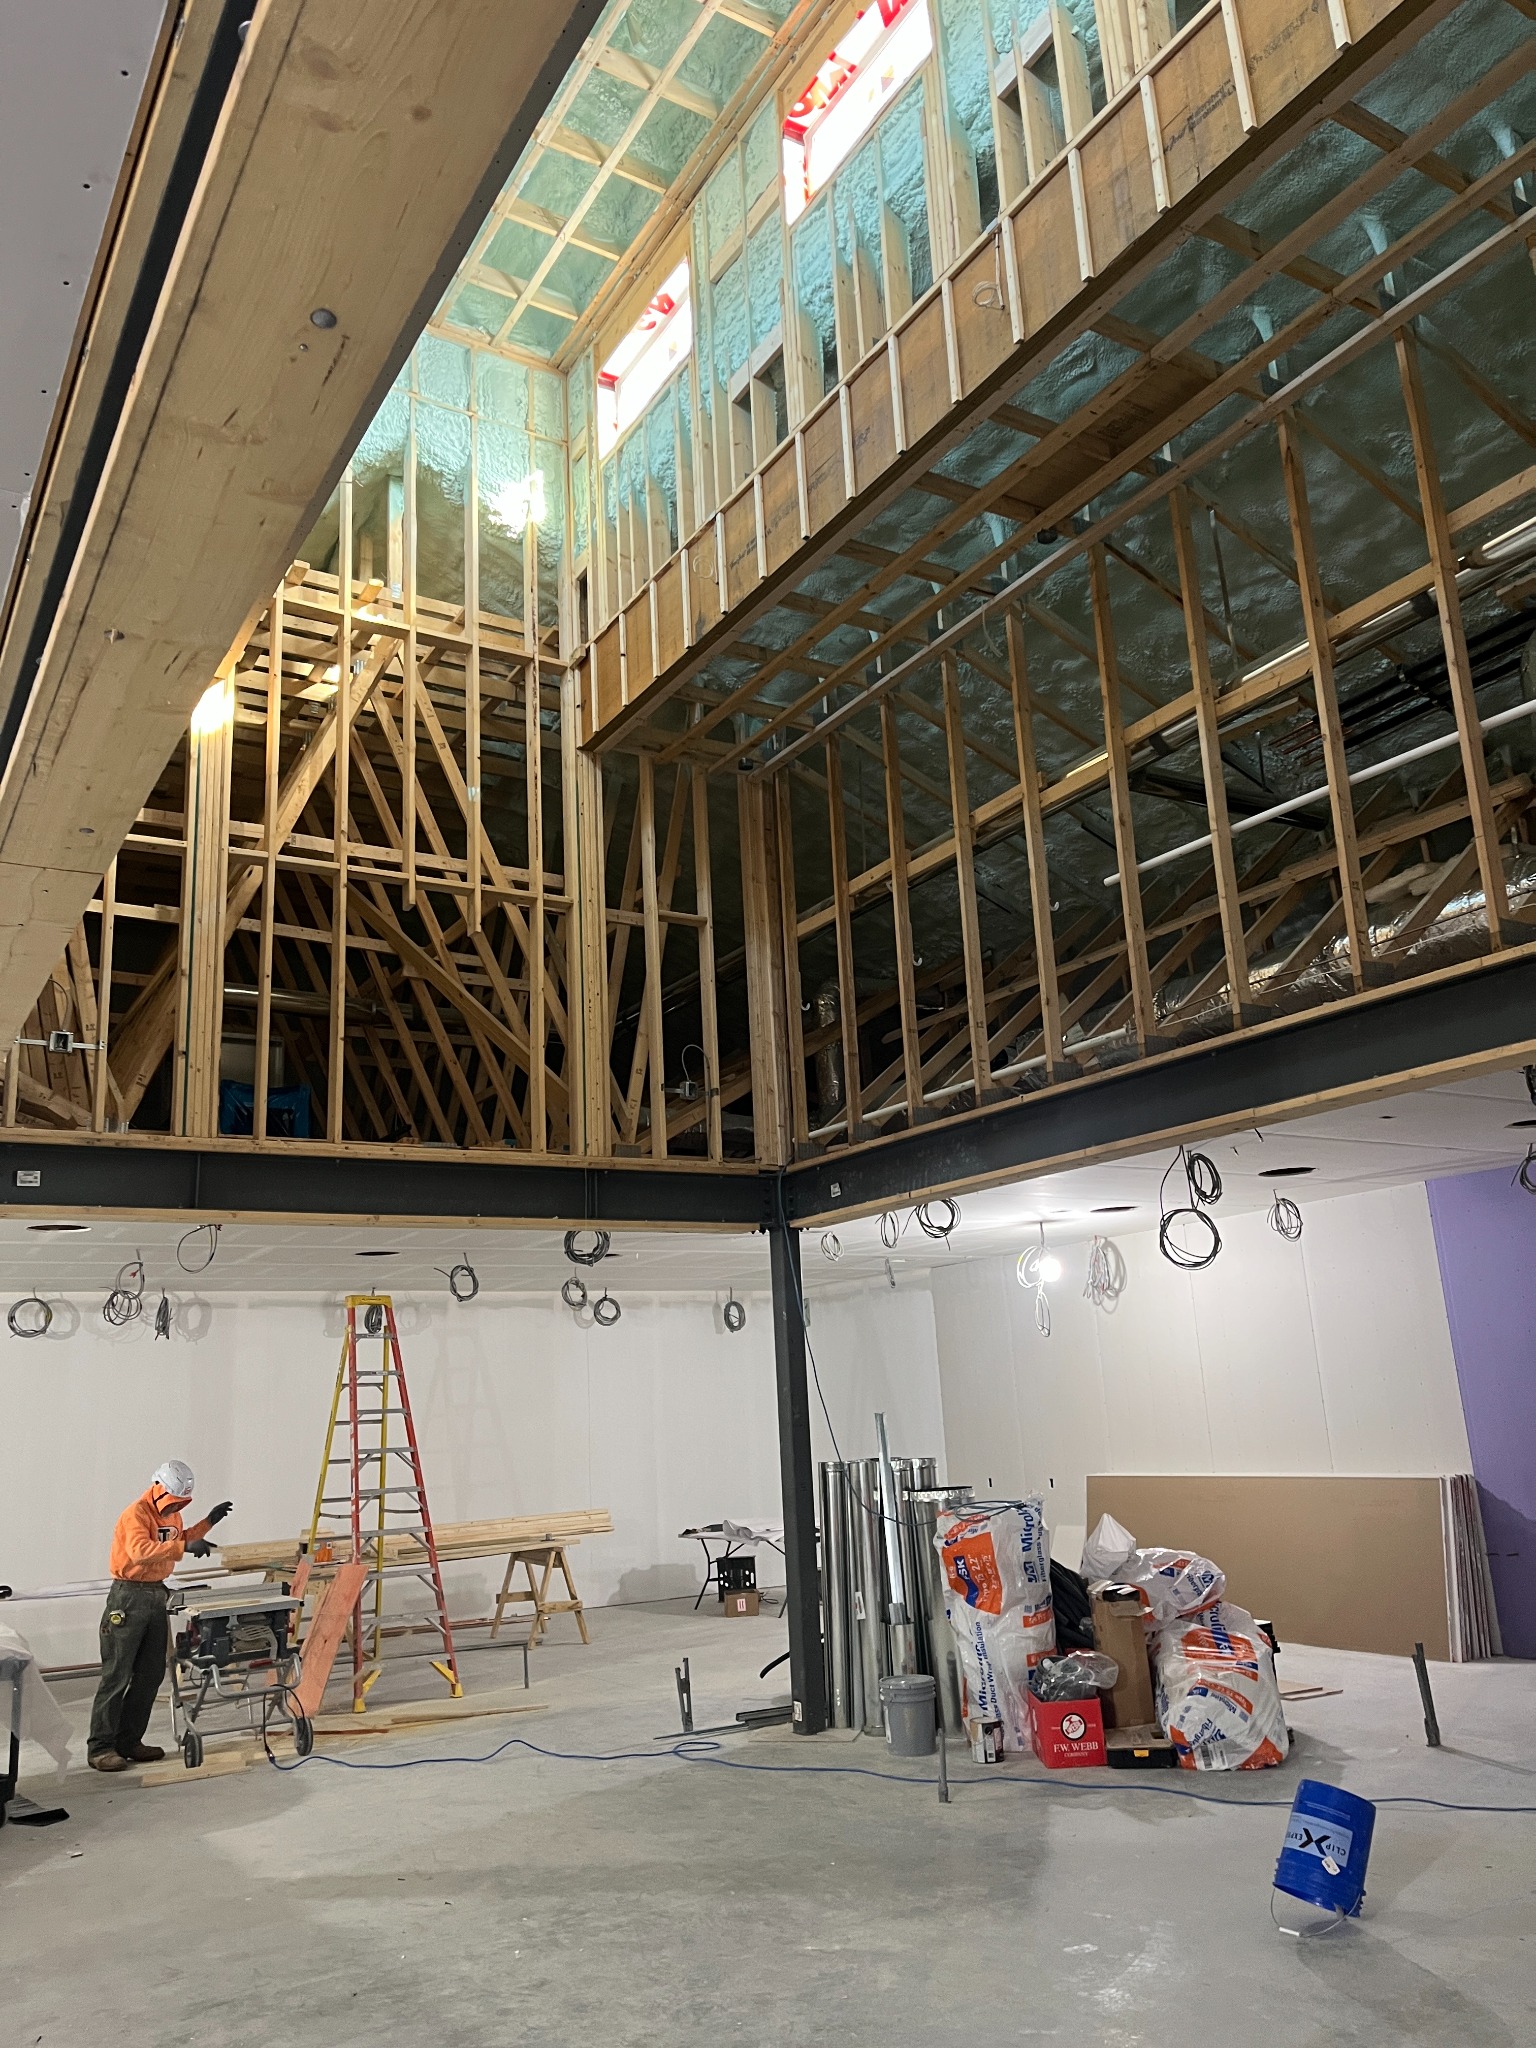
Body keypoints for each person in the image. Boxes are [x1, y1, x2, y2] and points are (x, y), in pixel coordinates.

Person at [86, 1462, 232, 1774]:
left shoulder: (172, 1515)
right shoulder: (136, 1514)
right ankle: (100, 1748)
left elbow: (177, 1539)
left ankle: (129, 1741)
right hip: (128, 1597)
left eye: (181, 1503)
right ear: (158, 1488)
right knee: (117, 1675)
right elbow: (140, 1551)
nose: (176, 1507)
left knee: (150, 1674)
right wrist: (184, 1546)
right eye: (173, 1501)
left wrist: (207, 1524)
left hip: (156, 1595)